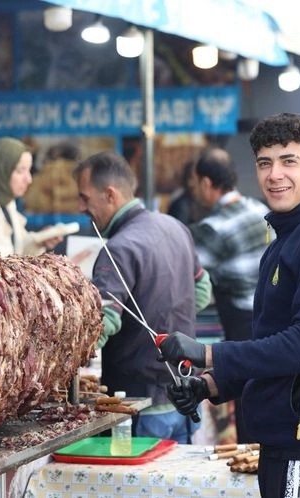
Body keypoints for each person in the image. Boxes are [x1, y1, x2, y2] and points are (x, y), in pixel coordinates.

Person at [159, 113, 300, 497]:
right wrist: (211, 385)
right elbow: (274, 346)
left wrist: (209, 353)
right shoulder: (282, 242)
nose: (275, 174)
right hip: (286, 443)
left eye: (289, 160)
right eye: (264, 163)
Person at [73, 151, 212, 443]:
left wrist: (66, 364)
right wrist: (168, 320)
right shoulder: (176, 227)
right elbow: (201, 290)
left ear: (110, 194)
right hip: (184, 398)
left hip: (141, 406)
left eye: (85, 198)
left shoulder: (118, 248)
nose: (80, 207)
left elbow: (102, 321)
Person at [189, 146, 271, 443]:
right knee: (264, 391)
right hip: (270, 317)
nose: (194, 190)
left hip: (241, 321)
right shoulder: (259, 208)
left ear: (207, 183)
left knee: (246, 393)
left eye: (195, 184)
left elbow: (189, 277)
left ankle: (252, 463)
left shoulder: (213, 227)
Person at [0, 137, 64, 257]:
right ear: (1, 170)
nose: (29, 179)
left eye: (29, 171)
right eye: (20, 171)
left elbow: (18, 248)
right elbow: (2, 260)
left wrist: (40, 240)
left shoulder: (7, 203)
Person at [167, 159, 209, 225]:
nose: (191, 183)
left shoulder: (204, 203)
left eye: (195, 179)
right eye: (190, 178)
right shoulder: (181, 205)